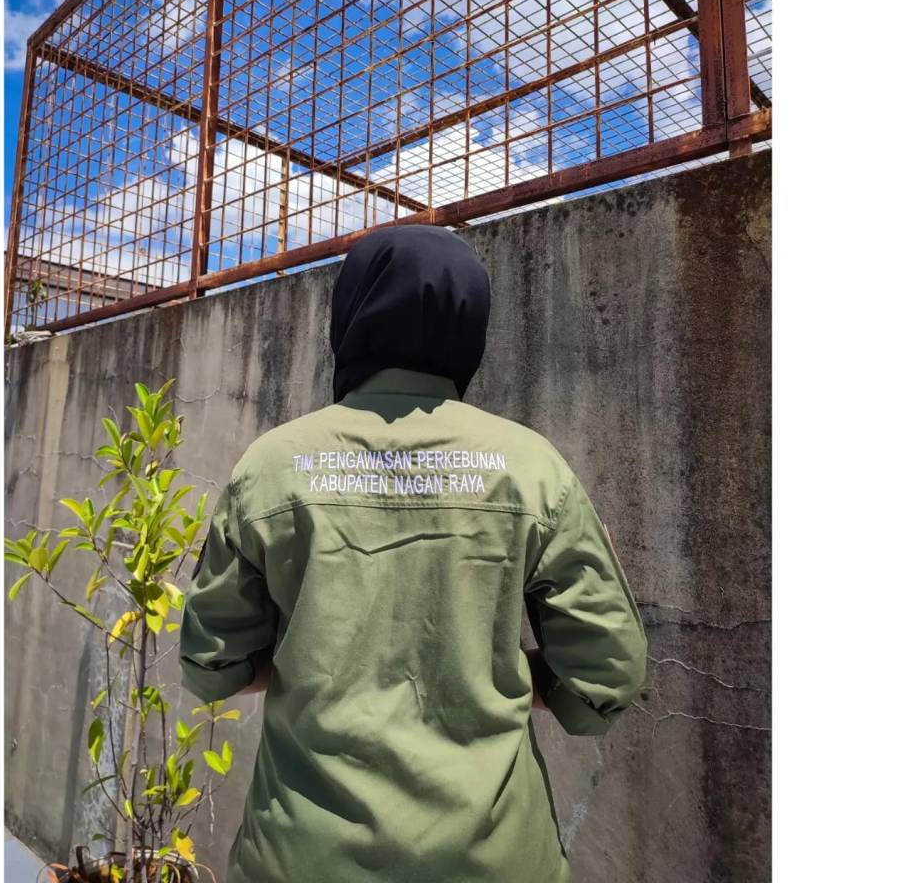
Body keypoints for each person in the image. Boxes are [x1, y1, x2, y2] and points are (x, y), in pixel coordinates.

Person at [179, 223, 648, 883]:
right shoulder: (533, 468)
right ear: (468, 323)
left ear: (351, 315)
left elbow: (210, 665)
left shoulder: (272, 466)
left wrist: (299, 659)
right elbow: (606, 678)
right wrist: (499, 672)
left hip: (302, 857)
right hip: (494, 858)